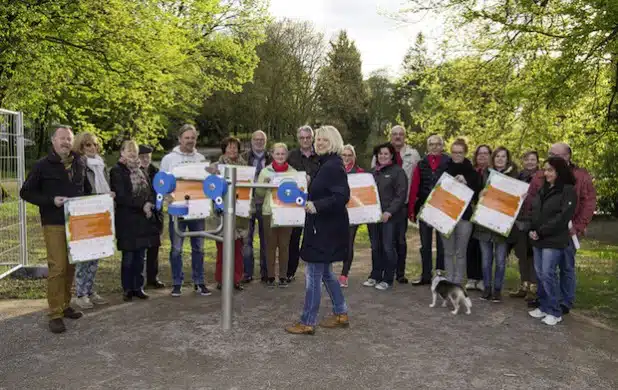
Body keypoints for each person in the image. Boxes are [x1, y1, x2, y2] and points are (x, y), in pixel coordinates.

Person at [20, 125, 91, 334]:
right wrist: (51, 201)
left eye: (69, 139)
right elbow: (26, 192)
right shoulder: (42, 165)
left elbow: (86, 190)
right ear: (53, 141)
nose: (66, 142)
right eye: (62, 139)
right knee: (58, 267)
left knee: (70, 267)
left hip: (75, 223)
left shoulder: (79, 162)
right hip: (54, 223)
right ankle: (54, 314)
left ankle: (65, 305)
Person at [286, 126, 350, 335]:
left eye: (324, 139)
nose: (319, 142)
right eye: (318, 139)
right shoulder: (325, 163)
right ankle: (341, 313)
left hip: (325, 229)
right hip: (323, 228)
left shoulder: (333, 165)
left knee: (313, 274)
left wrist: (316, 205)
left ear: (333, 141)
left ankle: (308, 321)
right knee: (326, 274)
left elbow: (342, 197)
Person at [525, 142, 596, 314]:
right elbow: (531, 200)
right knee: (543, 270)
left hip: (568, 231)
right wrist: (533, 226)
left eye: (555, 154)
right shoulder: (541, 176)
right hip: (543, 232)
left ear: (567, 156)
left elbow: (588, 202)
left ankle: (565, 302)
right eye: (549, 154)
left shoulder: (581, 176)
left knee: (566, 267)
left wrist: (578, 226)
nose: (551, 157)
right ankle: (546, 301)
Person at [159, 124, 210, 297]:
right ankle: (177, 283)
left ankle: (199, 282)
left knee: (199, 248)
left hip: (197, 209)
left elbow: (207, 184)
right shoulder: (169, 159)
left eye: (193, 138)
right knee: (176, 249)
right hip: (177, 209)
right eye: (187, 137)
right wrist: (167, 195)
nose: (190, 141)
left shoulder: (201, 159)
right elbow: (161, 182)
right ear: (180, 138)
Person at [528, 157, 577, 326]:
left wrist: (541, 231)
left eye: (550, 170)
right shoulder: (544, 189)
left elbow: (563, 217)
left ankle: (555, 311)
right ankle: (544, 306)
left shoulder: (568, 190)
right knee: (541, 274)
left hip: (553, 239)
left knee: (548, 274)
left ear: (559, 171)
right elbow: (534, 211)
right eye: (545, 170)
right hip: (538, 238)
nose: (546, 173)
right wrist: (532, 229)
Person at [110, 140, 161, 302]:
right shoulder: (117, 171)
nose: (132, 153)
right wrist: (142, 205)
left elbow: (151, 190)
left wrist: (150, 203)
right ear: (122, 152)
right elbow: (122, 196)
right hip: (127, 219)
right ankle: (127, 289)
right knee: (129, 257)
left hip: (143, 220)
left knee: (140, 257)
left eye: (135, 151)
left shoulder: (142, 170)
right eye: (129, 151)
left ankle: (138, 287)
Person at [371, 126, 421, 283]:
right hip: (381, 208)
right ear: (390, 136)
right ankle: (383, 272)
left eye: (401, 134)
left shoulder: (413, 154)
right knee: (382, 243)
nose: (398, 137)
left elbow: (417, 179)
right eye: (395, 134)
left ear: (405, 136)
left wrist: (413, 204)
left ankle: (399, 273)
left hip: (402, 205)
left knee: (399, 240)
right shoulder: (380, 156)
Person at [70, 132, 111, 309]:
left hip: (101, 212)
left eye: (94, 144)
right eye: (88, 145)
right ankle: (80, 294)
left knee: (96, 256)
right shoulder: (78, 165)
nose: (93, 148)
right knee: (84, 256)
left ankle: (90, 290)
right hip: (84, 214)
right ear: (80, 147)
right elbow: (78, 189)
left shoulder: (101, 165)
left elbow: (105, 186)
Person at [474, 146, 518, 302]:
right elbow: (477, 194)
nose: (500, 159)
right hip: (484, 224)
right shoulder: (485, 173)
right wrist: (481, 194)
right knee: (486, 260)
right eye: (497, 156)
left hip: (502, 225)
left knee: (500, 260)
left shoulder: (514, 176)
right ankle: (487, 288)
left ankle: (497, 290)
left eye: (503, 156)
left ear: (507, 159)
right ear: (493, 158)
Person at [363, 142, 407, 291]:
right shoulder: (371, 173)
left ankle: (388, 278)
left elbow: (400, 195)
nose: (382, 156)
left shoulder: (398, 172)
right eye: (380, 154)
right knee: (375, 247)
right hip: (373, 217)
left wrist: (389, 212)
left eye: (386, 154)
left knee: (388, 247)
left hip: (390, 217)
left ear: (392, 156)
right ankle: (375, 275)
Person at [408, 134, 450, 285]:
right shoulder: (421, 164)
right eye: (431, 144)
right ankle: (426, 274)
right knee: (425, 244)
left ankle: (440, 275)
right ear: (428, 147)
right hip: (425, 208)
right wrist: (412, 209)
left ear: (442, 146)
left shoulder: (449, 161)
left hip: (443, 209)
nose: (434, 147)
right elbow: (414, 186)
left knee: (441, 244)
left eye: (437, 144)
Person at [254, 143, 295, 288]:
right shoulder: (265, 172)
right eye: (277, 154)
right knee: (270, 245)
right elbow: (258, 194)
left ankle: (283, 276)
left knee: (284, 245)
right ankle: (270, 276)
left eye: (282, 154)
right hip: (269, 212)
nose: (280, 156)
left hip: (286, 213)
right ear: (272, 155)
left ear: (286, 155)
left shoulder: (293, 172)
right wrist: (263, 184)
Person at [441, 139, 480, 285]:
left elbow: (477, 196)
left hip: (464, 217)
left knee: (460, 252)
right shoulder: (443, 169)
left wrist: (466, 183)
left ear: (465, 153)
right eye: (454, 152)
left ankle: (457, 282)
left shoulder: (472, 172)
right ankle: (449, 280)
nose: (457, 155)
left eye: (460, 152)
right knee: (448, 251)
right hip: (445, 217)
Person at [211, 136, 248, 291]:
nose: (232, 150)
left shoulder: (245, 167)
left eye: (235, 147)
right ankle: (221, 279)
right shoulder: (215, 166)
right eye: (229, 147)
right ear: (224, 149)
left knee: (237, 249)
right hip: (221, 212)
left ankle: (236, 279)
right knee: (222, 249)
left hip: (239, 211)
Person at [286, 125, 320, 282]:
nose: (305, 140)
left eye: (308, 137)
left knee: (314, 238)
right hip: (294, 203)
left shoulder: (320, 155)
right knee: (293, 238)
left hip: (315, 202)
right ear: (298, 139)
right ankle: (290, 272)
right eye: (302, 138)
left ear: (312, 138)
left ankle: (314, 272)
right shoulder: (291, 156)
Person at [241, 130, 271, 283]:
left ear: (265, 142)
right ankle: (247, 273)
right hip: (248, 204)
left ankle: (266, 273)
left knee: (266, 240)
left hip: (266, 203)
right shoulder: (244, 157)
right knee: (246, 240)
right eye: (256, 139)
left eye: (262, 140)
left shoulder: (271, 158)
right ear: (251, 141)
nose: (259, 142)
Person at [509, 151, 539, 301]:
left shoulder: (542, 177)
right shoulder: (519, 177)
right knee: (522, 255)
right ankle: (524, 285)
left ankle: (533, 288)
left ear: (537, 161)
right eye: (527, 159)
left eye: (533, 159)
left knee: (532, 255)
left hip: (534, 220)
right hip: (519, 220)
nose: (530, 162)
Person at [465, 145, 492, 291]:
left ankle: (481, 278)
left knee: (484, 248)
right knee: (471, 245)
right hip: (471, 213)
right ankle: (471, 277)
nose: (482, 156)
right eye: (479, 154)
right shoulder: (471, 172)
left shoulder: (494, 174)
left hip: (487, 216)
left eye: (485, 153)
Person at [138, 145, 165, 289]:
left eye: (148, 156)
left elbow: (160, 191)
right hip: (140, 213)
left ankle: (153, 278)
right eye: (142, 156)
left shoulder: (156, 171)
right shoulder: (135, 171)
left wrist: (154, 205)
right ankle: (140, 280)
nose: (145, 159)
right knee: (142, 249)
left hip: (155, 213)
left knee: (154, 248)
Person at [338, 144, 365, 287]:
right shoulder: (335, 170)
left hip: (353, 214)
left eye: (349, 155)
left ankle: (344, 275)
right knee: (332, 243)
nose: (347, 158)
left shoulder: (360, 173)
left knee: (348, 244)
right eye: (344, 155)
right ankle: (328, 274)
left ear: (354, 157)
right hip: (335, 213)